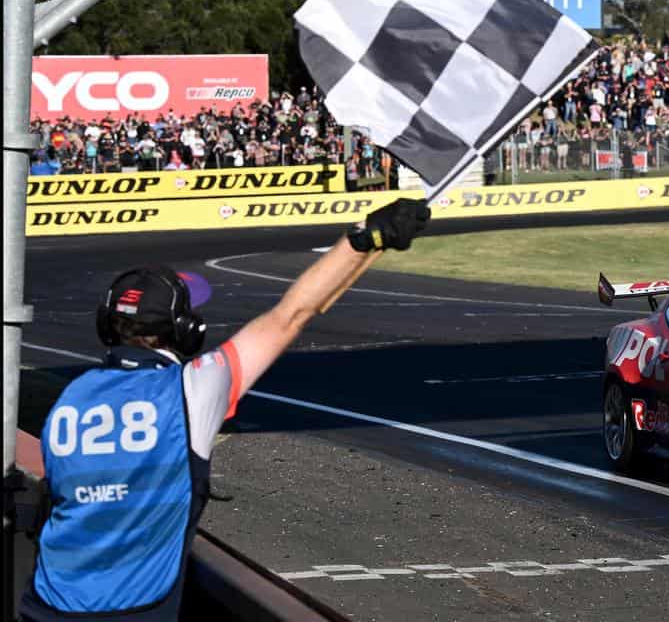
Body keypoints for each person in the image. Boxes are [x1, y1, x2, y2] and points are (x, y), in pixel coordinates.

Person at [19, 198, 430, 621]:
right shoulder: (194, 387)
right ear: (185, 330)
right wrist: (364, 239)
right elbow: (290, 314)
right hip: (133, 612)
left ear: (108, 324)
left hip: (44, 605)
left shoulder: (72, 397)